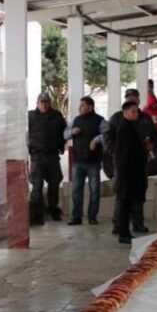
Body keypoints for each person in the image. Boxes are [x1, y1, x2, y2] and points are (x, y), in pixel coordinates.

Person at [104, 88, 157, 234]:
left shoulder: (145, 118)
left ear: (139, 100)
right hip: (123, 165)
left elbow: (155, 136)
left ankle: (138, 223)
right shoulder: (117, 118)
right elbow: (108, 138)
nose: (131, 100)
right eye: (128, 98)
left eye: (134, 98)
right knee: (122, 194)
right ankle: (119, 225)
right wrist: (116, 153)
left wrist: (153, 144)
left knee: (139, 193)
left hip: (140, 164)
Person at [27, 92, 68, 224]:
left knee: (54, 184)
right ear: (37, 103)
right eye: (42, 102)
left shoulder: (57, 115)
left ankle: (53, 210)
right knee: (37, 186)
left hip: (52, 155)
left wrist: (61, 144)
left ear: (50, 103)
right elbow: (23, 133)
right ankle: (36, 215)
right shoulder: (30, 116)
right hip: (37, 156)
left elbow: (65, 131)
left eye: (46, 102)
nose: (44, 104)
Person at [114, 102, 149, 245]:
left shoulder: (130, 127)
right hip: (128, 173)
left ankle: (125, 231)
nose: (136, 114)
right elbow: (128, 153)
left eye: (137, 111)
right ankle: (123, 232)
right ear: (126, 112)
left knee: (128, 202)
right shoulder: (124, 129)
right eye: (133, 111)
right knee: (125, 203)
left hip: (132, 172)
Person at [66, 96, 105, 226]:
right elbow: (64, 134)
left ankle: (92, 217)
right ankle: (76, 217)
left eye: (82, 105)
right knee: (76, 190)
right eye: (80, 105)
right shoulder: (76, 120)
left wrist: (96, 140)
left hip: (93, 161)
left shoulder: (100, 120)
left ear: (90, 107)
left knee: (94, 190)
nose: (79, 108)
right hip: (78, 161)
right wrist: (72, 131)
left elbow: (107, 134)